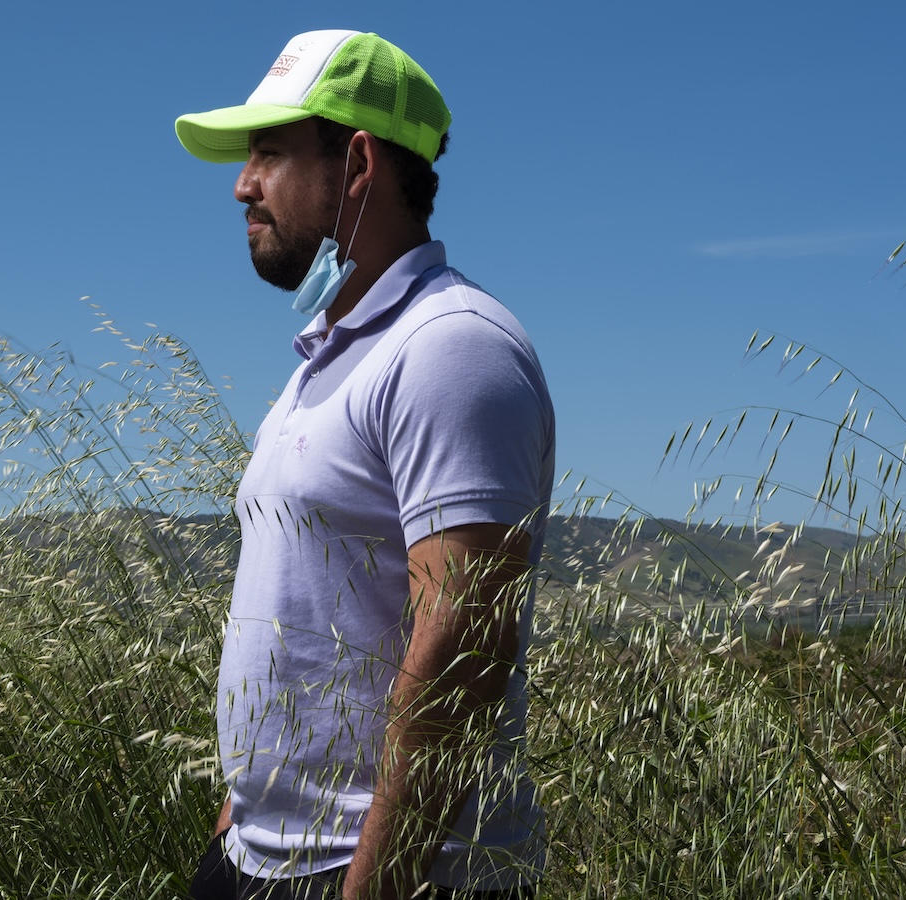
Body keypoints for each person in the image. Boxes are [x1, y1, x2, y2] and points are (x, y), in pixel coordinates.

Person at [174, 31, 555, 900]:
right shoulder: (327, 360)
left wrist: (370, 887)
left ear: (356, 164)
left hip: (388, 875)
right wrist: (239, 820)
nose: (242, 183)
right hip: (261, 859)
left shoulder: (451, 347)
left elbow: (463, 647)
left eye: (268, 151)